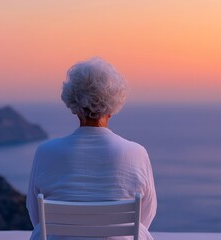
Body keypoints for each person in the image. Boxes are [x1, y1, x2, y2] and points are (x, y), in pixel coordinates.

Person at [27, 57, 157, 239]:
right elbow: (145, 217)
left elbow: (36, 216)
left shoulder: (45, 152)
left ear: (74, 107)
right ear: (113, 107)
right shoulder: (137, 153)